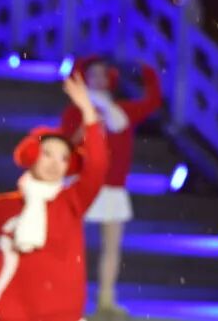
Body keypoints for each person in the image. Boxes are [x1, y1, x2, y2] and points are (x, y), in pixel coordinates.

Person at [0, 72, 108, 321]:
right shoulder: (2, 208)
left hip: (61, 314)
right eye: (48, 154)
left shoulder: (72, 201)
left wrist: (88, 112)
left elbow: (97, 165)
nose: (55, 163)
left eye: (64, 158)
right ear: (32, 154)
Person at [59, 55, 162, 318]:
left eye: (103, 74)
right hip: (82, 184)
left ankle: (106, 300)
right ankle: (68, 299)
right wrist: (88, 123)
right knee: (71, 247)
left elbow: (152, 102)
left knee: (112, 246)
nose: (99, 79)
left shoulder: (121, 112)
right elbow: (65, 146)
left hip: (113, 186)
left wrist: (148, 71)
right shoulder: (74, 111)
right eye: (93, 75)